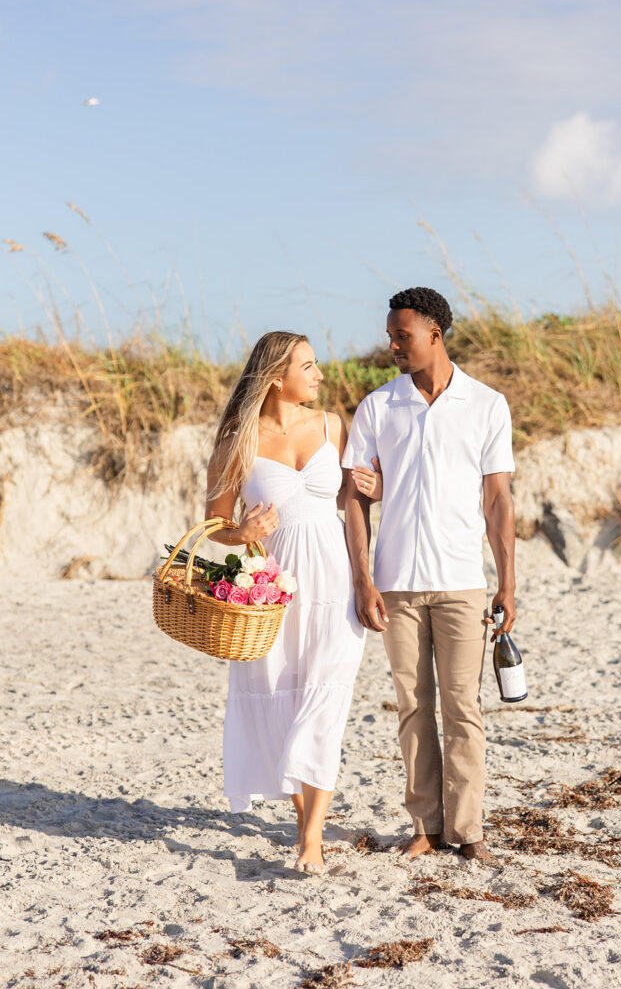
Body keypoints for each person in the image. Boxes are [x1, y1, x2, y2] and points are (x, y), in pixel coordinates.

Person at [343, 287, 516, 863]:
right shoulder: (377, 407)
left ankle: (468, 831)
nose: (392, 344)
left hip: (463, 580)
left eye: (402, 336)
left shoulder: (487, 405)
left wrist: (508, 582)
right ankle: (426, 825)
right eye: (391, 335)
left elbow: (497, 501)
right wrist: (363, 579)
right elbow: (355, 501)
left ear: (435, 334)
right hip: (396, 583)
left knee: (463, 707)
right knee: (413, 707)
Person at [205, 331, 367, 874]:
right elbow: (214, 527)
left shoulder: (332, 427)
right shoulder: (237, 442)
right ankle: (305, 823)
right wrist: (242, 529)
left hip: (333, 578)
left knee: (325, 699)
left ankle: (312, 838)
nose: (320, 374)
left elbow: (352, 501)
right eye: (309, 365)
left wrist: (372, 485)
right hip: (272, 586)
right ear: (278, 376)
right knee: (282, 702)